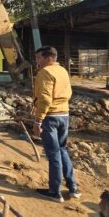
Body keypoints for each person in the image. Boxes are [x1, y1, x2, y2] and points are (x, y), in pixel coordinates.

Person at [32, 46, 80, 203]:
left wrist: (38, 120)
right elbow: (69, 93)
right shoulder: (63, 71)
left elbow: (45, 99)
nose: (37, 61)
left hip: (50, 117)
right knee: (62, 150)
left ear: (48, 58)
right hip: (64, 115)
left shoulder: (45, 72)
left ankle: (55, 191)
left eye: (39, 58)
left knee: (53, 154)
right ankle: (73, 188)